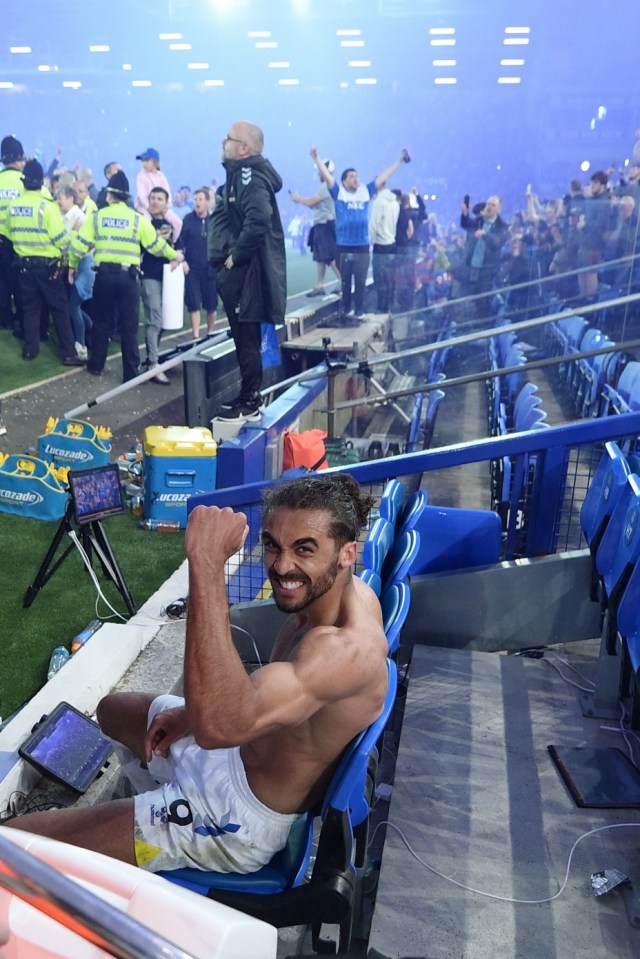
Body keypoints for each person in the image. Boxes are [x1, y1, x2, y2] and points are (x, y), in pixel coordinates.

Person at [5, 473, 389, 877]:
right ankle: (140, 820)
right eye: (273, 545)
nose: (281, 565)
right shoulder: (342, 595)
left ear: (348, 553)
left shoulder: (341, 651)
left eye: (304, 549)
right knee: (113, 710)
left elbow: (219, 727)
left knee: (15, 844)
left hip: (232, 817)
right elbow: (233, 719)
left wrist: (206, 563)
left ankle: (149, 834)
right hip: (235, 751)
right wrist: (191, 713)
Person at [68, 170, 184, 382]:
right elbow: (155, 246)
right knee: (129, 326)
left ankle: (96, 366)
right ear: (127, 197)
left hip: (103, 276)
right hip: (128, 278)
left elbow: (78, 246)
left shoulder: (98, 217)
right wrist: (175, 254)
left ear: (110, 195)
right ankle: (130, 372)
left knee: (101, 322)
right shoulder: (137, 219)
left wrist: (72, 265)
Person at [208, 121, 286, 422]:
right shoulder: (239, 176)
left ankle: (250, 399)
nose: (223, 141)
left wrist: (235, 256)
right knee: (244, 337)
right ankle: (248, 395)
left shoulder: (249, 177)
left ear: (244, 148)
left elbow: (259, 219)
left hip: (246, 273)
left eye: (229, 138)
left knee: (247, 337)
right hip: (240, 273)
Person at [311, 147, 410, 320]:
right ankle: (346, 310)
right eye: (352, 176)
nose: (356, 179)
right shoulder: (338, 192)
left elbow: (385, 176)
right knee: (345, 282)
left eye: (357, 176)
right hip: (343, 246)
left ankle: (359, 312)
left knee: (360, 281)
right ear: (343, 181)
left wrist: (400, 161)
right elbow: (327, 177)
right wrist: (316, 158)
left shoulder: (366, 191)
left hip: (362, 246)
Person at [8, 160, 84, 366]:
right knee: (59, 308)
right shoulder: (47, 207)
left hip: (23, 264)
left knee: (30, 308)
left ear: (23, 182)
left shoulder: (14, 206)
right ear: (41, 182)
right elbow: (61, 239)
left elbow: (9, 232)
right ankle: (68, 352)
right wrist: (73, 246)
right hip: (46, 266)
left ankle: (30, 350)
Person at [140, 186, 182, 384]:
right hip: (149, 275)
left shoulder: (170, 224)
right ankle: (153, 365)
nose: (155, 201)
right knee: (155, 318)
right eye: (153, 198)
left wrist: (179, 258)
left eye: (160, 198)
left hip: (168, 278)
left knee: (162, 321)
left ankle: (151, 358)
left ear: (167, 203)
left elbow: (181, 247)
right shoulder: (143, 223)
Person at [290, 159, 341, 297]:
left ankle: (342, 280)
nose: (318, 173)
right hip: (322, 224)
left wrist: (297, 198)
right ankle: (320, 285)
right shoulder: (328, 186)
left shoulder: (327, 186)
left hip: (324, 224)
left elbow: (311, 203)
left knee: (328, 256)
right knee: (320, 257)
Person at [180, 186, 218, 340]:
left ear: (208, 202)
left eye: (200, 199)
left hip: (210, 269)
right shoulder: (187, 221)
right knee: (194, 304)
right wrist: (183, 260)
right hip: (192, 269)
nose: (197, 203)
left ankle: (210, 334)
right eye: (195, 199)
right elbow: (180, 243)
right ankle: (195, 336)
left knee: (211, 305)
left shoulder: (214, 221)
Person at [0, 135, 27, 332]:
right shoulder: (25, 183)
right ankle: (21, 320)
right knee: (19, 281)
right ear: (19, 159)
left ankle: (4, 319)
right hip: (17, 240)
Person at [368, 181, 399, 313]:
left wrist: (370, 240)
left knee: (379, 278)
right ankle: (389, 305)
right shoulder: (395, 202)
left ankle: (382, 308)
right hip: (392, 242)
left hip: (381, 244)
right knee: (389, 278)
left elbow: (373, 225)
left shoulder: (379, 202)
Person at [134, 148, 173, 218]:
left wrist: (167, 206)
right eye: (142, 161)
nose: (144, 163)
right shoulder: (141, 176)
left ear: (155, 162)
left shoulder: (161, 176)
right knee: (147, 220)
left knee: (177, 222)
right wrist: (149, 207)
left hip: (160, 207)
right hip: (144, 207)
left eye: (146, 161)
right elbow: (142, 195)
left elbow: (167, 192)